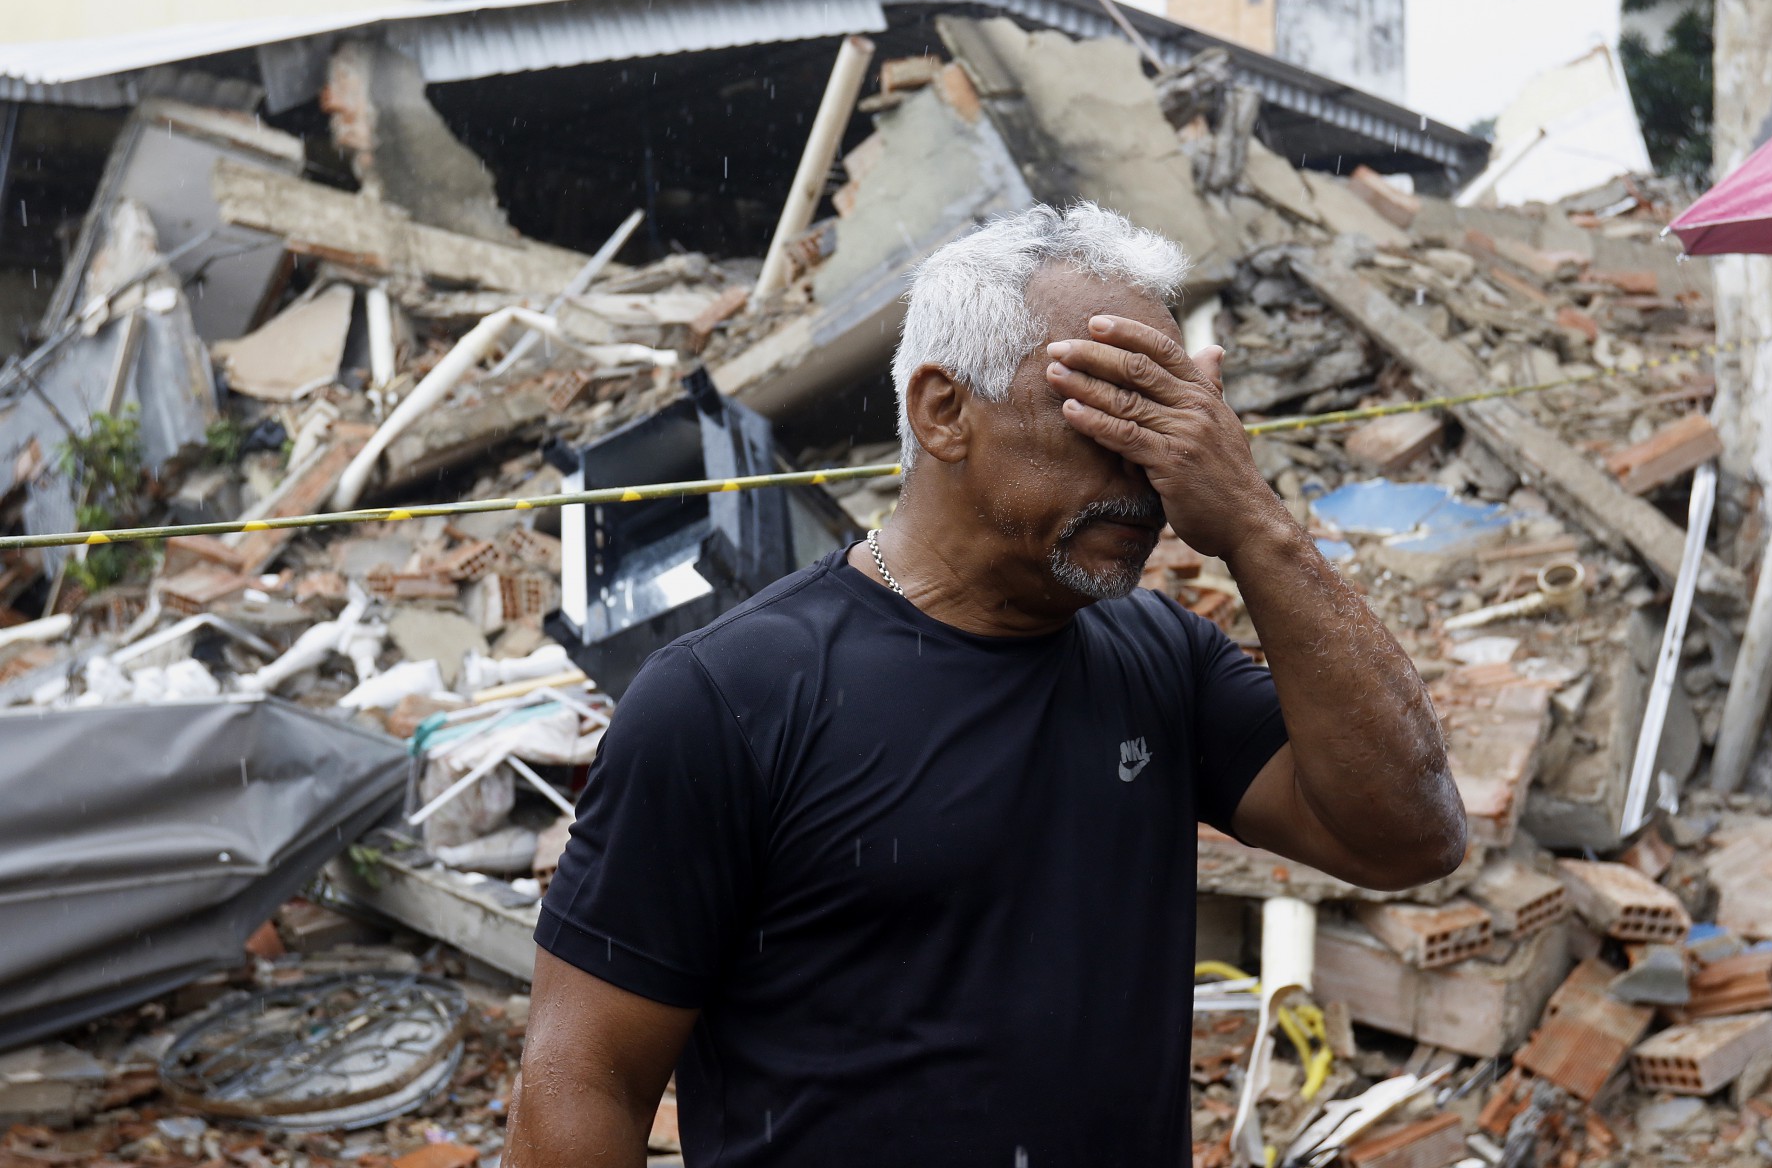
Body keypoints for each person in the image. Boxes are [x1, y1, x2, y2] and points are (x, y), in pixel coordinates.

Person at [504, 203, 1466, 1167]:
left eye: (1174, 423)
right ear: (944, 411)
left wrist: (1256, 522)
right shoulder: (728, 701)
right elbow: (583, 1084)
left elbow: (1410, 835)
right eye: (1108, 413)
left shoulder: (1161, 657)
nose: (1154, 471)